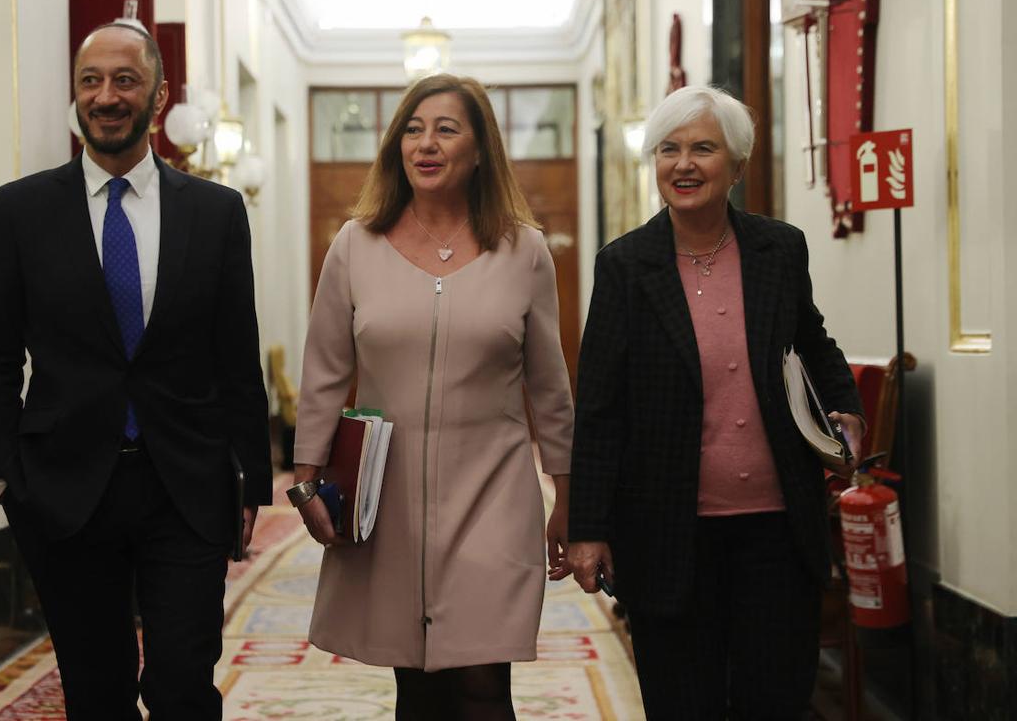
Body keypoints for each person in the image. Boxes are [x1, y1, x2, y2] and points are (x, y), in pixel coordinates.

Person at [0, 22, 270, 720]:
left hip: (184, 488)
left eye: (125, 80)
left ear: (158, 99)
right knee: (96, 692)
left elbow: (236, 353)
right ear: (75, 97)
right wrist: (7, 470)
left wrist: (250, 473)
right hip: (65, 490)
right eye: (91, 81)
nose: (106, 96)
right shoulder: (20, 210)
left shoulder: (216, 213)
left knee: (183, 685)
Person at [567, 85, 866, 720]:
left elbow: (812, 339)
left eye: (703, 148)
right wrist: (588, 527)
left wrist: (846, 407)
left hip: (777, 527)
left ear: (737, 164)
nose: (684, 164)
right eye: (668, 149)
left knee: (776, 698)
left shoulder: (779, 249)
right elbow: (598, 405)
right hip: (667, 530)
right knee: (683, 701)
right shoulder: (624, 265)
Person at [289, 73, 574, 720]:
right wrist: (307, 481)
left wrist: (568, 492)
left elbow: (550, 385)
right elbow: (325, 370)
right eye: (413, 130)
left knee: (481, 678)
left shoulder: (524, 251)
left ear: (480, 149)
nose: (427, 143)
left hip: (494, 492)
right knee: (415, 684)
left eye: (446, 129)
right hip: (386, 497)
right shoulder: (355, 244)